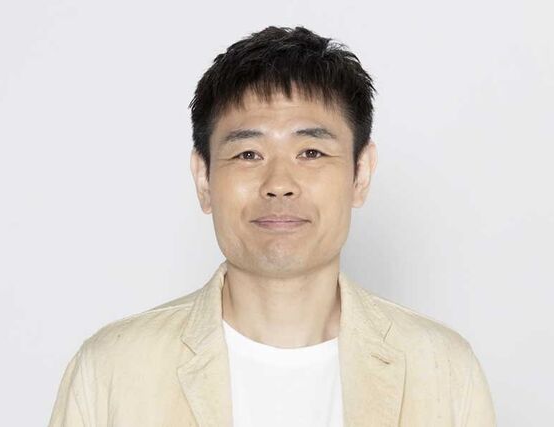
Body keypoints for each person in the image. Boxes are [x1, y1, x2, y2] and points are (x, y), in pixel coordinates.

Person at [48, 26, 496, 427]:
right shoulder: (111, 369)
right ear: (204, 179)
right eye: (248, 154)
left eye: (311, 153)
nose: (279, 184)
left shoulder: (443, 369)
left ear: (360, 174)